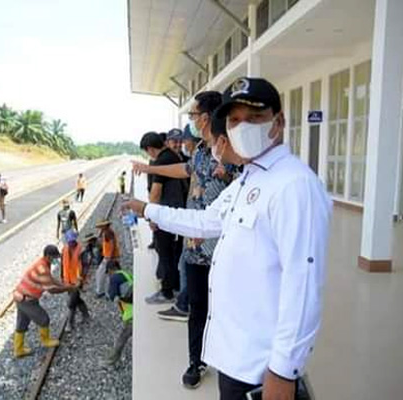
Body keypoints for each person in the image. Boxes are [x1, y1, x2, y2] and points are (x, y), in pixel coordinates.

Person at [124, 77, 332, 400]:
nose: (241, 126)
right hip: (236, 360)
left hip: (262, 370)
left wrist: (284, 370)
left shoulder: (294, 185)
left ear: (278, 123)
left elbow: (303, 283)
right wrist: (149, 210)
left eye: (254, 117)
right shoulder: (250, 179)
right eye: (235, 119)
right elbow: (204, 221)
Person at [133, 91, 233, 388]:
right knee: (198, 306)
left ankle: (230, 360)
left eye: (193, 115)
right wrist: (149, 168)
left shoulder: (234, 153)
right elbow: (185, 170)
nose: (191, 120)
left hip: (224, 248)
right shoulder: (201, 150)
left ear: (207, 117)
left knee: (227, 306)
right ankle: (196, 361)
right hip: (195, 246)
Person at [139, 132, 187, 304]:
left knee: (165, 252)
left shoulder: (161, 161)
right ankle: (174, 286)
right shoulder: (173, 156)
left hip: (167, 215)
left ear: (150, 149)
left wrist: (151, 216)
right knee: (174, 252)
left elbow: (156, 191)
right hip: (178, 212)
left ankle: (167, 292)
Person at [13, 244, 76, 358]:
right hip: (26, 300)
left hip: (21, 296)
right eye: (54, 257)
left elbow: (51, 279)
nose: (55, 260)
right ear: (47, 256)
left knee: (22, 324)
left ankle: (19, 350)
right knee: (44, 319)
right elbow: (51, 290)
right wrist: (68, 288)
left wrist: (64, 284)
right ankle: (45, 340)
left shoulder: (43, 264)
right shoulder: (42, 269)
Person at [103, 260, 133, 366]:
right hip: (137, 308)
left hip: (130, 313)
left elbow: (112, 296)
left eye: (108, 272)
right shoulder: (127, 274)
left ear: (111, 270)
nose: (109, 275)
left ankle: (111, 360)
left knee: (122, 337)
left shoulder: (114, 278)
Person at [61, 230, 90, 331]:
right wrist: (62, 278)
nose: (71, 243)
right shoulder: (64, 249)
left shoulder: (81, 250)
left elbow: (85, 266)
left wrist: (81, 279)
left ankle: (70, 323)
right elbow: (62, 265)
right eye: (69, 241)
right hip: (67, 281)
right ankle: (86, 314)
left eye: (72, 241)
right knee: (76, 300)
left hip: (77, 281)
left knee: (71, 302)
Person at [94, 219, 120, 298]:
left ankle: (100, 292)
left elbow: (112, 245)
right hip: (110, 257)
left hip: (109, 257)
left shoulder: (108, 233)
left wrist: (110, 258)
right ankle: (111, 292)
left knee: (100, 273)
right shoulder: (106, 232)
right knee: (110, 275)